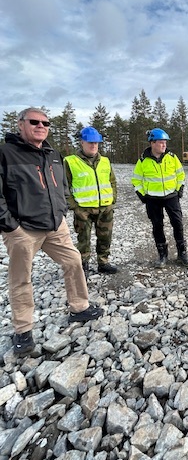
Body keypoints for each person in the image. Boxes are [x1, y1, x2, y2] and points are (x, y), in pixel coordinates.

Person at [0, 107, 104, 355]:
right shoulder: (6, 154)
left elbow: (62, 186)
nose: (41, 126)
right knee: (21, 278)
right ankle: (23, 330)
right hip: (23, 229)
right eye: (34, 121)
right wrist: (11, 226)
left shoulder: (52, 154)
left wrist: (62, 209)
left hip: (55, 225)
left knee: (73, 260)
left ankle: (79, 308)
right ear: (20, 124)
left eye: (46, 123)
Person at [132, 128, 188, 267]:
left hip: (171, 197)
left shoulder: (172, 157)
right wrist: (142, 195)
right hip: (152, 199)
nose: (164, 145)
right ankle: (162, 255)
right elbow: (136, 180)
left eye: (165, 142)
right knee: (157, 226)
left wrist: (179, 188)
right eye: (161, 142)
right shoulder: (142, 161)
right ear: (152, 143)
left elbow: (180, 174)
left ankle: (182, 254)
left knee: (178, 224)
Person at [64, 127, 118, 278]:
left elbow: (112, 181)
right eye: (90, 142)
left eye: (96, 143)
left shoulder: (105, 161)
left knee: (105, 237)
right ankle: (83, 265)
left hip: (105, 208)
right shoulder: (70, 162)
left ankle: (103, 262)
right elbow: (65, 186)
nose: (93, 145)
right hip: (84, 209)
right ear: (82, 142)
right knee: (83, 239)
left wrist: (112, 200)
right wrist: (74, 206)